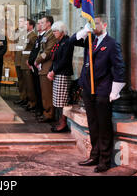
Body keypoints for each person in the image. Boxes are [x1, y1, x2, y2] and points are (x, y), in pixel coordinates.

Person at [70, 14, 126, 173]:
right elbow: (71, 41)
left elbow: (119, 68)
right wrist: (85, 29)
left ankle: (105, 160)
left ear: (105, 25)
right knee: (93, 124)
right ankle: (94, 155)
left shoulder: (112, 44)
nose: (94, 27)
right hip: (89, 89)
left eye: (97, 24)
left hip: (103, 89)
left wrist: (115, 90)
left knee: (104, 125)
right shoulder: (90, 41)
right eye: (92, 25)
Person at [47, 21, 74, 132]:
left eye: (56, 31)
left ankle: (63, 123)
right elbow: (55, 59)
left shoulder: (67, 42)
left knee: (62, 101)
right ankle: (60, 121)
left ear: (62, 31)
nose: (54, 33)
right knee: (57, 101)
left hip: (63, 74)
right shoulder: (59, 42)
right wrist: (51, 70)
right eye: (53, 31)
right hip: (57, 73)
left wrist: (54, 71)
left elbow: (64, 60)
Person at [35, 16, 57, 123]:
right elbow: (41, 50)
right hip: (43, 66)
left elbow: (48, 51)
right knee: (44, 92)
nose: (41, 24)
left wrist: (38, 60)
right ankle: (46, 112)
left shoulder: (51, 34)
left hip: (47, 65)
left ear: (48, 23)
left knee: (47, 93)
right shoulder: (46, 34)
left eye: (43, 22)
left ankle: (49, 114)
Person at [27, 17, 46, 117]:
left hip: (39, 65)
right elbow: (34, 51)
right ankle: (38, 107)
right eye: (39, 23)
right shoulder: (39, 37)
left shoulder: (44, 37)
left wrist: (35, 61)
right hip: (34, 65)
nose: (39, 25)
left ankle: (40, 108)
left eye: (41, 23)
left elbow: (43, 52)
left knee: (39, 89)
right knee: (36, 87)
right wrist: (30, 62)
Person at [20, 19, 38, 109]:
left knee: (30, 83)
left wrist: (31, 60)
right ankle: (28, 100)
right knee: (26, 83)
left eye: (26, 24)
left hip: (28, 60)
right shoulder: (26, 35)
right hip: (23, 59)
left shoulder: (33, 36)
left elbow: (34, 49)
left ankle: (33, 102)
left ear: (31, 26)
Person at [14, 17, 27, 105]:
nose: (19, 23)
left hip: (24, 59)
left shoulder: (27, 33)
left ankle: (26, 98)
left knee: (25, 81)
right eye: (18, 21)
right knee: (20, 80)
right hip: (18, 58)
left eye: (21, 21)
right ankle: (22, 97)